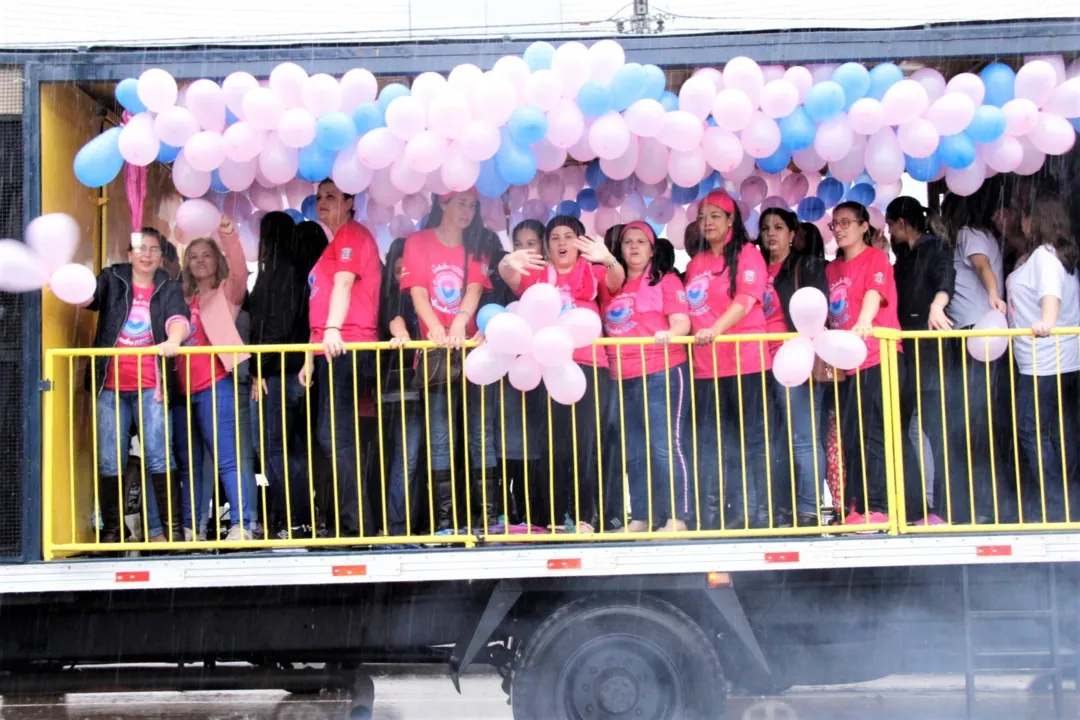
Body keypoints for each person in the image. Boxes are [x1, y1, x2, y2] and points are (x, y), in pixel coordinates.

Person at [499, 214, 623, 532]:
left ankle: (588, 516)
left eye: (569, 236)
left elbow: (616, 281)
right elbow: (509, 278)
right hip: (547, 371)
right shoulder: (539, 276)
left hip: (589, 368)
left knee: (586, 445)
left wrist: (608, 259)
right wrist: (507, 262)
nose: (562, 243)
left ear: (580, 243)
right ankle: (554, 517)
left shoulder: (593, 271)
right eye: (554, 238)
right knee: (553, 447)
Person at [81, 227, 190, 545]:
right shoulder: (112, 279)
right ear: (128, 253)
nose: (146, 254)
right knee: (108, 458)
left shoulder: (169, 287)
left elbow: (179, 319)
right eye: (140, 248)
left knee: (159, 456)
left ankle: (172, 530)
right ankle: (114, 531)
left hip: (150, 384)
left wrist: (173, 340)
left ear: (161, 257)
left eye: (154, 249)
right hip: (109, 385)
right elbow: (88, 299)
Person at [399, 189, 495, 533]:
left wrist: (459, 321)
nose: (467, 210)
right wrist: (436, 329)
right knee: (440, 436)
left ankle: (487, 518)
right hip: (435, 352)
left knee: (480, 433)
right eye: (461, 203)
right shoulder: (419, 241)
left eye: (473, 204)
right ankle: (445, 520)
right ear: (442, 203)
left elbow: (474, 288)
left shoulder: (478, 245)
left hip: (472, 349)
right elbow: (418, 291)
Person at [300, 179, 382, 539]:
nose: (323, 203)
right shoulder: (336, 241)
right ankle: (349, 521)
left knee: (334, 436)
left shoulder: (351, 234)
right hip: (330, 347)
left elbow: (344, 284)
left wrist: (332, 329)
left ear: (351, 201)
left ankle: (355, 525)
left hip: (347, 344)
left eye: (331, 196)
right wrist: (310, 354)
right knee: (333, 437)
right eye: (319, 197)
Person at [685, 190, 772, 530]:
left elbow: (747, 298)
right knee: (713, 444)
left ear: (732, 220)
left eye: (715, 216)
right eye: (703, 217)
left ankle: (757, 513)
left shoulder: (748, 253)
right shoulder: (696, 263)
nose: (707, 223)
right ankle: (717, 515)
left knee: (751, 441)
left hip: (745, 363)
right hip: (706, 368)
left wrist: (714, 329)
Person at [171, 217, 257, 542]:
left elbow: (239, 270)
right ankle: (193, 528)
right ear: (186, 265)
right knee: (190, 465)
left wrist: (228, 234)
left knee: (228, 458)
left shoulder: (227, 292)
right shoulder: (178, 299)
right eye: (193, 256)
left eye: (206, 254)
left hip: (216, 383)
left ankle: (243, 525)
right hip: (181, 390)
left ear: (215, 259)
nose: (200, 261)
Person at [601, 223, 691, 532]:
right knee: (635, 451)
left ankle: (676, 517)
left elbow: (682, 323)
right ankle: (641, 516)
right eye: (628, 242)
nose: (634, 247)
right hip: (621, 376)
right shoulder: (613, 284)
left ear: (653, 250)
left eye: (641, 242)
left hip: (661, 371)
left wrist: (669, 333)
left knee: (665, 446)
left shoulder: (666, 281)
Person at [248, 214, 327, 541]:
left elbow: (272, 327)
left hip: (277, 372)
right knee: (293, 448)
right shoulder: (303, 275)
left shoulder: (278, 274)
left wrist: (258, 368)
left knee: (271, 448)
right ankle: (299, 516)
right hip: (295, 372)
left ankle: (288, 517)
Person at [825, 201, 902, 525]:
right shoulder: (831, 269)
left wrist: (864, 321)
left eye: (846, 223)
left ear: (863, 227)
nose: (839, 229)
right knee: (851, 435)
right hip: (845, 364)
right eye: (835, 224)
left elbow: (874, 292)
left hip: (875, 356)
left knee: (873, 435)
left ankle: (879, 506)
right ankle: (856, 507)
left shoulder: (877, 258)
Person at [1006, 196, 1080, 523]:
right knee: (1053, 430)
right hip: (1054, 358)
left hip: (1044, 359)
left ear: (1034, 221)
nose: (1021, 222)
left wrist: (1046, 322)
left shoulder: (1045, 256)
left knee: (1031, 429)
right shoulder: (1052, 255)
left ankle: (1055, 505)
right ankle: (1063, 500)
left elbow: (1050, 294)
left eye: (1024, 217)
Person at [886, 196, 957, 525]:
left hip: (928, 347)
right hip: (906, 348)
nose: (888, 231)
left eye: (890, 225)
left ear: (901, 224)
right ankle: (915, 503)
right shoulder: (904, 255)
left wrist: (936, 306)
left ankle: (945, 506)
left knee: (936, 430)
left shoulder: (935, 248)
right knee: (901, 426)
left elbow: (946, 281)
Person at [942, 190, 1010, 524]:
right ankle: (988, 503)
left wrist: (995, 297)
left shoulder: (969, 234)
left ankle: (983, 506)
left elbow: (981, 266)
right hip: (980, 335)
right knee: (980, 421)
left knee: (975, 423)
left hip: (976, 335)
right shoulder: (983, 234)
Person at [759, 208, 829, 527]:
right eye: (765, 228)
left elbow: (819, 311)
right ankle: (782, 506)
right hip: (761, 361)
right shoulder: (755, 268)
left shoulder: (806, 266)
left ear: (792, 233)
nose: (771, 233)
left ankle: (809, 508)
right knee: (774, 439)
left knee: (803, 438)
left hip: (796, 360)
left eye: (778, 227)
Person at [490, 220, 546, 528]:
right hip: (511, 367)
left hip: (545, 371)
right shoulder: (506, 278)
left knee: (536, 443)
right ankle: (504, 511)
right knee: (507, 440)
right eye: (520, 243)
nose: (526, 249)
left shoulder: (550, 278)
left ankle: (533, 513)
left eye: (532, 243)